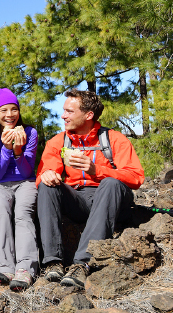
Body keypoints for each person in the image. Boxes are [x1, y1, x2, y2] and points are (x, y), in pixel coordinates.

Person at [36, 89, 144, 288]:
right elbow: (47, 168)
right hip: (79, 200)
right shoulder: (59, 141)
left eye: (69, 111)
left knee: (111, 183)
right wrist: (48, 174)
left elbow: (136, 177)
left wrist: (98, 170)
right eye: (63, 110)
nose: (63, 115)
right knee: (46, 185)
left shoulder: (114, 139)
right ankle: (53, 262)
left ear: (88, 115)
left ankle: (83, 263)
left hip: (112, 200)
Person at [0, 88, 39, 291]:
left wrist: (18, 150)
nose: (10, 115)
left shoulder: (30, 133)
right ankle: (5, 269)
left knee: (23, 213)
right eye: (4, 110)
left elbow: (26, 171)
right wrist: (5, 148)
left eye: (14, 109)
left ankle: (26, 269)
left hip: (26, 182)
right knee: (1, 211)